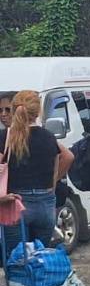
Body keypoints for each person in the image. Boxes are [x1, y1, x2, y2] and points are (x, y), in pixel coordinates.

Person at [0, 90, 73, 250]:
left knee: (17, 259)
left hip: (17, 203)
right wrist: (49, 187)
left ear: (14, 109)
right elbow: (63, 160)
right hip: (46, 204)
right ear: (38, 111)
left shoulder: (7, 136)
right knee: (40, 257)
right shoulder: (48, 136)